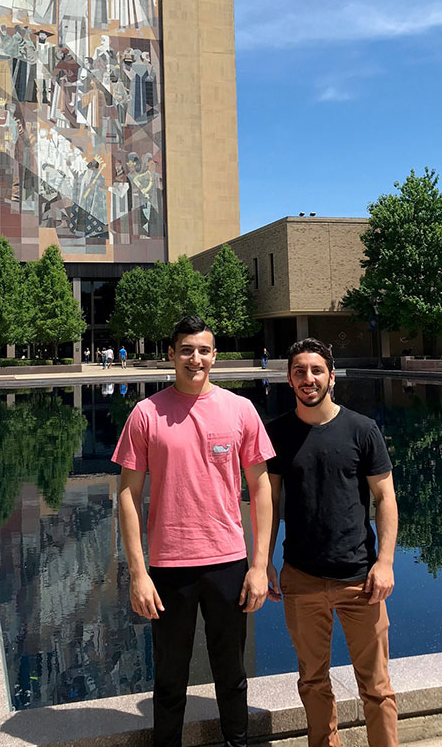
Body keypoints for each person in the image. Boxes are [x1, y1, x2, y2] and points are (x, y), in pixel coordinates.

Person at [112, 315, 276, 747]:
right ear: (171, 355)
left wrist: (259, 564)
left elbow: (260, 486)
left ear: (214, 356)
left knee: (232, 675)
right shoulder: (146, 413)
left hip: (228, 563)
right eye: (186, 349)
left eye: (203, 350)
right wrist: (137, 573)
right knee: (169, 680)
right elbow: (127, 495)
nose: (195, 358)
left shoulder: (240, 409)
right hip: (169, 567)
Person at [266, 338, 398, 747]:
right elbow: (269, 502)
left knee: (377, 687)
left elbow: (385, 497)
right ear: (289, 379)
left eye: (316, 370)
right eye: (300, 371)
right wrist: (262, 562)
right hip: (301, 579)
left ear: (331, 376)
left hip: (360, 580)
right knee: (312, 681)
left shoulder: (362, 429)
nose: (309, 378)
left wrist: (386, 562)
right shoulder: (278, 434)